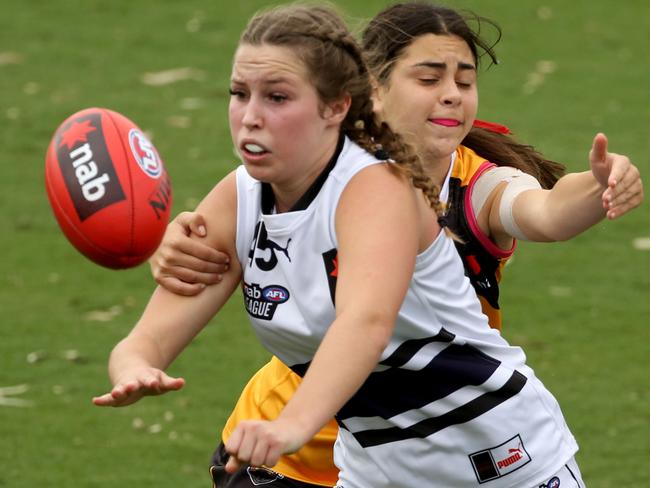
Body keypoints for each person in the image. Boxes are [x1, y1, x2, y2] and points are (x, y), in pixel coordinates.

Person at [148, 2, 643, 487]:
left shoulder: (476, 188)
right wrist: (174, 242)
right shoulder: (313, 170)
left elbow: (547, 210)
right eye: (429, 80)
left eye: (464, 82)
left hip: (430, 453)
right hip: (282, 451)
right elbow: (235, 223)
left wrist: (600, 189)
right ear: (373, 91)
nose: (451, 95)